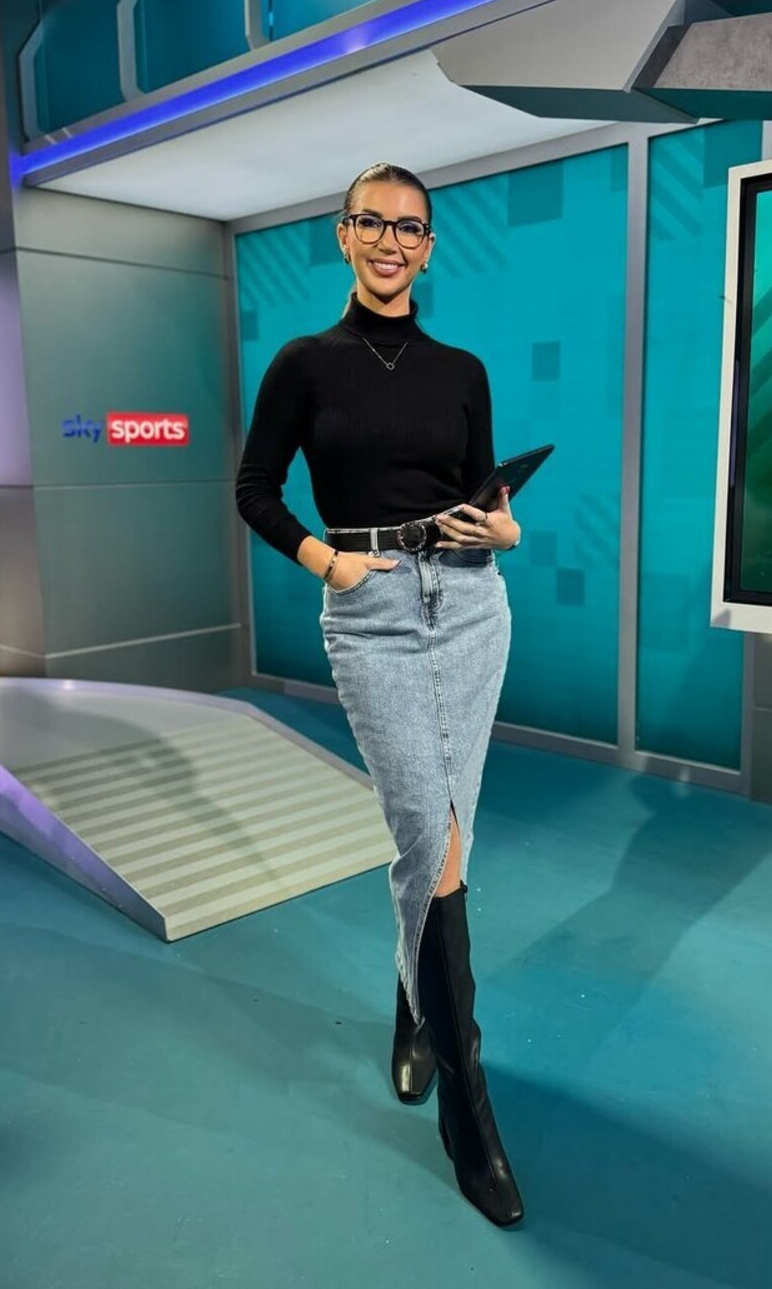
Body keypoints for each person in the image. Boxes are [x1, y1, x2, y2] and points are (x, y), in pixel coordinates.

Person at [235, 162, 523, 1227]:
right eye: (373, 223)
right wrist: (328, 563)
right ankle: (469, 1113)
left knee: (450, 837)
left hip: (473, 606)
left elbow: (485, 494)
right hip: (372, 611)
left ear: (430, 247)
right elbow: (254, 488)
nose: (392, 241)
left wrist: (503, 528)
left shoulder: (463, 370)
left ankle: (414, 1009)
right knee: (426, 836)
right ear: (344, 235)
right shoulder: (304, 364)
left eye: (410, 227)